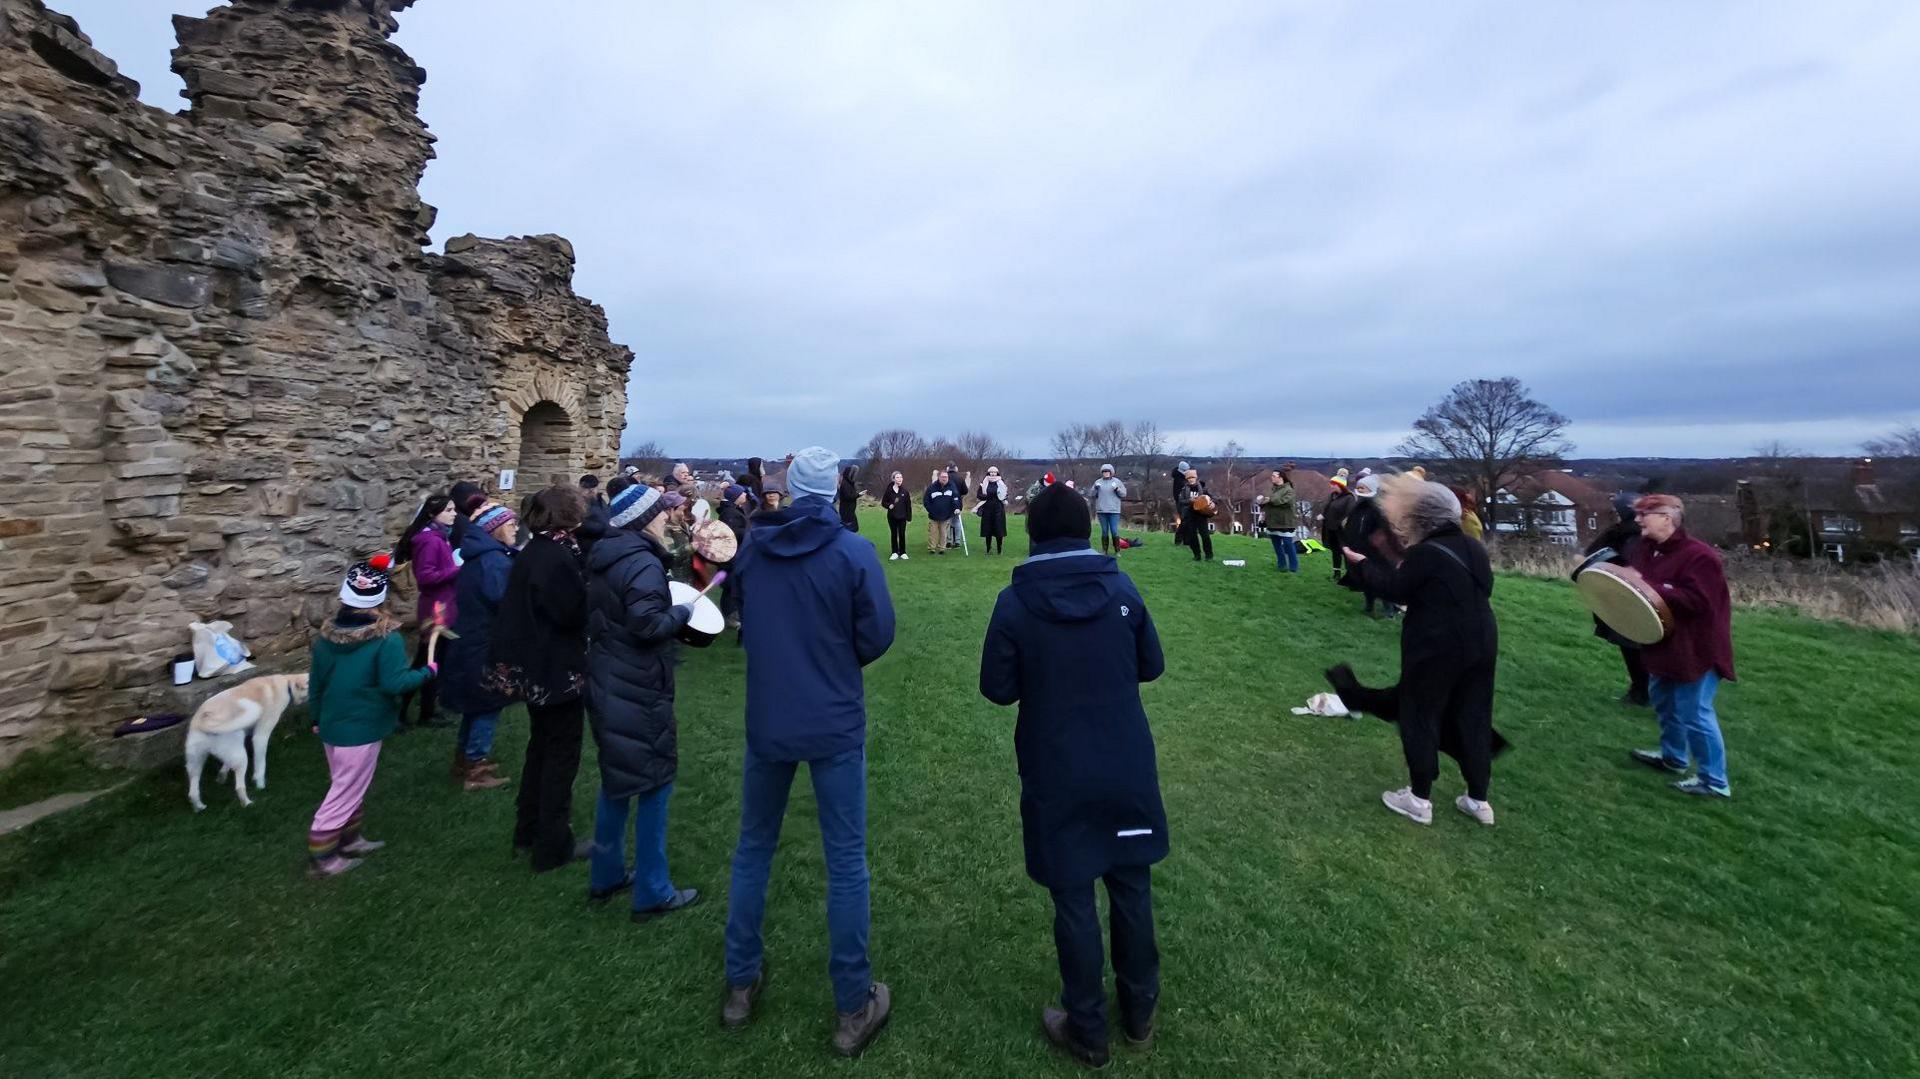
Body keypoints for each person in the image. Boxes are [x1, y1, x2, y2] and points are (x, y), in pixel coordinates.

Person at [979, 484, 1167, 1068]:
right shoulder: (1122, 590)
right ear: (1087, 530)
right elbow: (1150, 665)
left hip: (1057, 766)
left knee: (1075, 898)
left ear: (1032, 535)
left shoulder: (1016, 603)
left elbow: (998, 687)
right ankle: (1132, 1014)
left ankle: (1095, 1023)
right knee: (1130, 886)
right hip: (1123, 761)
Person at [721, 446, 897, 1057]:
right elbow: (874, 634)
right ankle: (850, 1002)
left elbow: (874, 632)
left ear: (791, 489)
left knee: (753, 849)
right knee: (845, 861)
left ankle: (741, 981)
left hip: (774, 715)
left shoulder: (757, 552)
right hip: (830, 717)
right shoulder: (850, 552)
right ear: (835, 490)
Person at [1329, 478, 1507, 826]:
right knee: (1472, 711)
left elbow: (1396, 589)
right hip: (1482, 640)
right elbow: (1473, 586)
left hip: (1437, 643)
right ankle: (1478, 799)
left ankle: (1418, 798)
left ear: (1422, 519)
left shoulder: (1427, 553)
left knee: (1420, 712)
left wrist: (1361, 564)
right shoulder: (1473, 549)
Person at [584, 483, 702, 920]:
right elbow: (647, 625)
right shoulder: (641, 563)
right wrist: (683, 613)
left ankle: (606, 873)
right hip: (635, 686)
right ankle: (653, 891)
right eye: (659, 512)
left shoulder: (605, 556)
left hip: (606, 676)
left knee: (617, 781)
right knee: (654, 782)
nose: (666, 517)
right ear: (643, 519)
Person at [305, 555, 433, 877]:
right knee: (344, 791)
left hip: (333, 725)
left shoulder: (326, 636)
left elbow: (316, 684)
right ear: (380, 600)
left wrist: (316, 718)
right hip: (360, 729)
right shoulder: (385, 639)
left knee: (349, 785)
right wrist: (428, 672)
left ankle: (350, 840)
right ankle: (323, 859)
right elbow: (395, 684)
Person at [491, 486, 592, 872]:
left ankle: (528, 829)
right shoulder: (556, 556)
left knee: (541, 748)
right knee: (559, 756)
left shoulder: (535, 550)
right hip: (555, 671)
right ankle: (552, 845)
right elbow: (569, 613)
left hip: (536, 667)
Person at [1626, 494, 1736, 798]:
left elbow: (1700, 601)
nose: (1638, 520)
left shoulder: (1700, 557)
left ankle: (1715, 781)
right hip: (1663, 641)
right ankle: (1673, 757)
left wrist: (1652, 588)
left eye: (1645, 514)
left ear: (1667, 518)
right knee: (1663, 701)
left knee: (1695, 713)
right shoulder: (1645, 550)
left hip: (1696, 646)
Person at [441, 503, 517, 791]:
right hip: (485, 642)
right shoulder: (494, 561)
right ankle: (476, 767)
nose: (515, 527)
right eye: (509, 523)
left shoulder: (480, 555)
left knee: (475, 703)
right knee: (488, 703)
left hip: (472, 638)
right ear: (495, 527)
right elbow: (504, 601)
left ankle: (464, 759)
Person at [394, 495, 459, 728]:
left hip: (444, 604)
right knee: (426, 660)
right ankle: (400, 711)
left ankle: (427, 711)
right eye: (448, 510)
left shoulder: (441, 537)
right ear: (433, 514)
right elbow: (426, 577)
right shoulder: (429, 540)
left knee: (434, 659)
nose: (454, 514)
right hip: (435, 609)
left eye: (454, 509)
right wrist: (456, 569)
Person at [1585, 492, 1649, 706]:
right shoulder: (1622, 533)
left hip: (1629, 598)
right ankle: (1642, 690)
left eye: (1616, 510)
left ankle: (1642, 692)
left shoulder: (1631, 536)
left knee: (1634, 647)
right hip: (1623, 596)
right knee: (1633, 647)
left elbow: (1629, 566)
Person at [1342, 475, 1399, 617]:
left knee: (1379, 581)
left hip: (1376, 553)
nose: (1359, 490)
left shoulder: (1379, 509)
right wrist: (1347, 544)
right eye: (1359, 487)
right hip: (1359, 550)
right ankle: (1369, 606)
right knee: (1365, 580)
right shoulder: (1358, 507)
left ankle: (1389, 609)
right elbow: (1351, 526)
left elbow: (1384, 532)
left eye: (1363, 488)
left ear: (1371, 489)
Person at [1258, 467, 1299, 572]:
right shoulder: (1273, 489)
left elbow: (1285, 502)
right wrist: (1262, 502)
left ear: (1281, 478)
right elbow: (1270, 503)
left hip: (1285, 522)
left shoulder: (1289, 490)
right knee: (1276, 545)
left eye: (1274, 476)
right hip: (1272, 521)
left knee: (1288, 544)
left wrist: (1269, 500)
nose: (1271, 478)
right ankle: (1281, 565)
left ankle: (1293, 567)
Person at [1173, 469, 1213, 562]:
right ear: (1187, 479)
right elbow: (1180, 501)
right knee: (1192, 536)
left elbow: (1211, 498)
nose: (1191, 479)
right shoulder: (1184, 489)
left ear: (1196, 477)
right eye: (1189, 478)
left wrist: (1209, 502)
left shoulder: (1203, 488)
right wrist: (1190, 501)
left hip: (1201, 514)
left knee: (1205, 535)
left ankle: (1209, 555)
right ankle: (1197, 555)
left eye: (1192, 477)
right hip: (1189, 514)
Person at [1088, 464, 1127, 555]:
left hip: (1114, 511)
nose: (1106, 473)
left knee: (1114, 531)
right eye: (1104, 471)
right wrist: (1095, 488)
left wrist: (1117, 489)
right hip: (1102, 511)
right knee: (1104, 531)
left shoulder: (1117, 482)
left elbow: (1124, 494)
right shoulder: (1098, 482)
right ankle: (1104, 550)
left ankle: (1117, 551)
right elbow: (1091, 494)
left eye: (1107, 471)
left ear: (1111, 472)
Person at [923, 467, 961, 556]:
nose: (944, 478)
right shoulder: (932, 487)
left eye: (946, 477)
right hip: (933, 515)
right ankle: (932, 548)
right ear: (939, 477)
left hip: (946, 515)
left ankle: (942, 548)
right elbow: (926, 500)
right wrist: (930, 510)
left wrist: (957, 507)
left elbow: (956, 498)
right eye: (942, 477)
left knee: (944, 533)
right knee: (933, 532)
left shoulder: (952, 487)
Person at [879, 471, 913, 561]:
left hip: (902, 517)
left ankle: (903, 552)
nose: (900, 479)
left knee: (902, 534)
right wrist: (888, 505)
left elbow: (908, 505)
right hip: (892, 517)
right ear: (893, 479)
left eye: (901, 477)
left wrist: (909, 518)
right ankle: (894, 552)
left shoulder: (905, 491)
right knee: (894, 534)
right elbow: (883, 502)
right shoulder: (889, 491)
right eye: (897, 477)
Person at [977, 466, 1011, 555]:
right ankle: (988, 549)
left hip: (998, 508)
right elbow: (979, 495)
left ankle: (999, 550)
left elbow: (1006, 494)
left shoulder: (1001, 482)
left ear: (997, 473)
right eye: (991, 472)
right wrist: (985, 496)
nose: (992, 474)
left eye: (994, 472)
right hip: (987, 508)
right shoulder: (984, 482)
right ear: (988, 473)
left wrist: (1003, 496)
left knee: (999, 529)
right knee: (987, 530)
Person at [837, 465, 862, 532]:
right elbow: (848, 496)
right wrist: (858, 495)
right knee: (852, 528)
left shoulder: (849, 483)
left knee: (852, 528)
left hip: (849, 510)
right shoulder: (845, 484)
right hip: (846, 511)